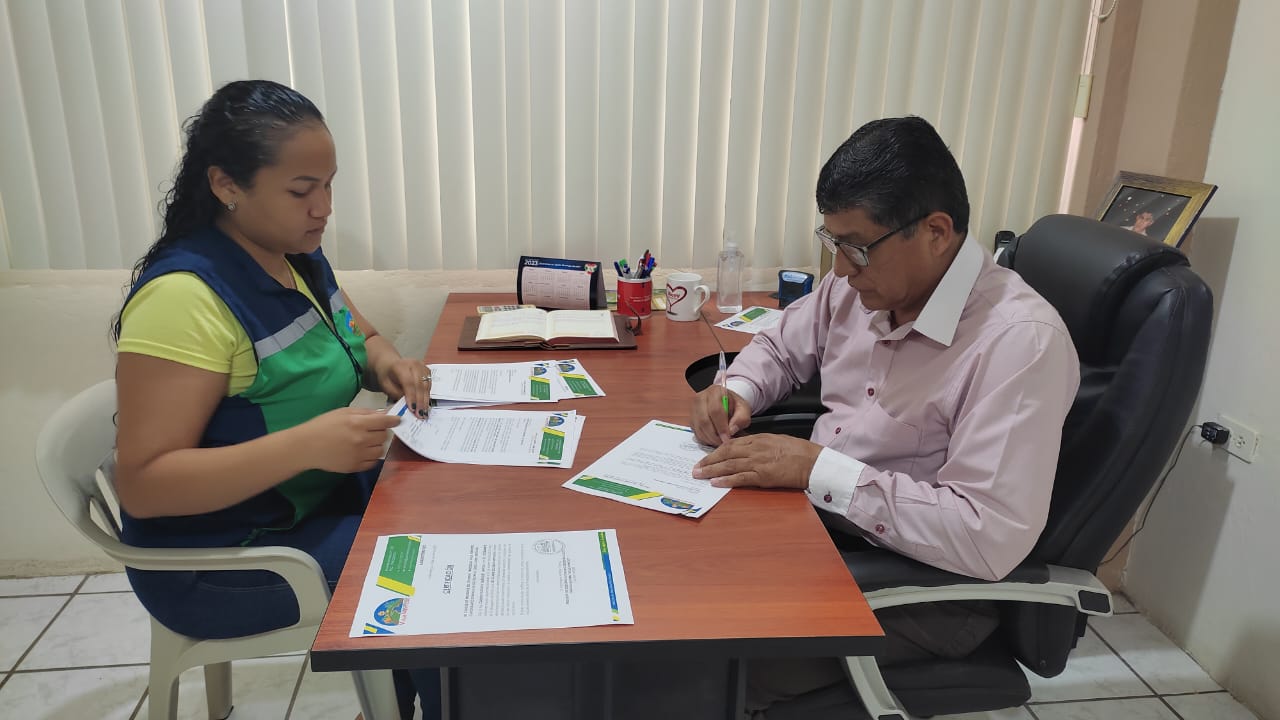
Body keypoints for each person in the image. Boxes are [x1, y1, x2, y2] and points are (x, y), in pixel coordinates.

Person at [688, 116, 1080, 719]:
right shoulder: (863, 286)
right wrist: (735, 391)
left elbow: (986, 536)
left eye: (857, 248)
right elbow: (780, 346)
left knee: (698, 665)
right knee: (677, 591)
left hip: (923, 588)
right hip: (823, 531)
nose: (841, 270)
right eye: (833, 243)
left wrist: (817, 470)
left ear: (936, 232)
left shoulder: (1018, 343)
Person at [112, 80, 439, 719]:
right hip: (220, 558)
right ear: (226, 185)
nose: (324, 208)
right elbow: (144, 485)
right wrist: (305, 446)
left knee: (450, 509)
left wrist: (391, 366)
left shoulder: (294, 256)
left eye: (329, 186)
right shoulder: (184, 299)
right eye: (301, 190)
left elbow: (361, 337)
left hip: (310, 503)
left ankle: (418, 694)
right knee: (427, 574)